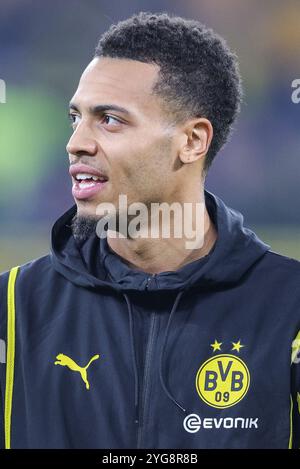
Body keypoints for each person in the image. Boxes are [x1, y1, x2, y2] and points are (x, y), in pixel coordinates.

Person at [1, 11, 300, 450]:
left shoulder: (290, 308)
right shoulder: (12, 310)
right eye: (76, 117)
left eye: (110, 120)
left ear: (193, 141)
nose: (76, 142)